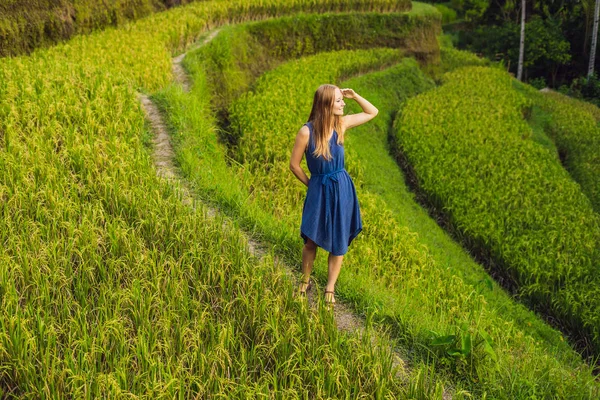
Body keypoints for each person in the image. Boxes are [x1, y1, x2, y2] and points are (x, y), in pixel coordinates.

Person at [289, 84, 378, 307]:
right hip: (319, 188)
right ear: (327, 103)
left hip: (342, 188)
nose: (343, 103)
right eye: (339, 100)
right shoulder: (306, 132)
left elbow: (372, 112)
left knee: (338, 241)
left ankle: (330, 288)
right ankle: (305, 281)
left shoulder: (341, 124)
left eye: (342, 99)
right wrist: (312, 184)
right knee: (311, 240)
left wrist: (355, 94)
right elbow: (294, 165)